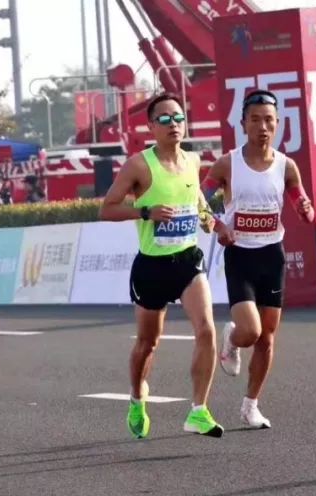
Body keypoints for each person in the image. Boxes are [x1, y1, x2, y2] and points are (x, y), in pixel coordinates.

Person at [99, 94, 223, 440]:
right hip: (152, 267)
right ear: (151, 127)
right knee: (147, 344)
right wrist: (145, 212)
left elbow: (196, 197)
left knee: (207, 330)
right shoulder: (139, 166)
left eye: (178, 117)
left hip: (187, 261)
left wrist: (209, 220)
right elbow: (106, 209)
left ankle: (198, 411)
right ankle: (137, 397)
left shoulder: (193, 160)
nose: (174, 124)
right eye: (165, 119)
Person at [203, 90, 315, 429]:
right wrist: (219, 225)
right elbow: (199, 202)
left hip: (272, 256)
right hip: (240, 255)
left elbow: (302, 205)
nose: (262, 127)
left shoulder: (286, 166)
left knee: (267, 338)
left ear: (277, 123)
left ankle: (251, 405)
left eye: (268, 120)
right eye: (255, 120)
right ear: (243, 124)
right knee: (250, 332)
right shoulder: (227, 164)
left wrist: (305, 208)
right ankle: (231, 339)